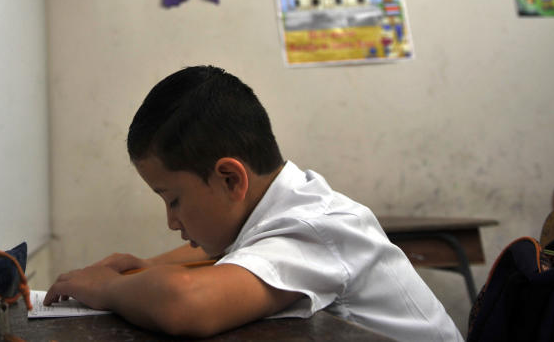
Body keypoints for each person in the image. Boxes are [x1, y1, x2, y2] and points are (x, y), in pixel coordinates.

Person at [44, 65, 462, 341]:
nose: (172, 222)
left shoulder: (318, 228)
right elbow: (238, 254)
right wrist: (148, 267)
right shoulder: (286, 206)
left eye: (173, 199)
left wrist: (110, 288)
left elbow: (187, 302)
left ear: (230, 178)